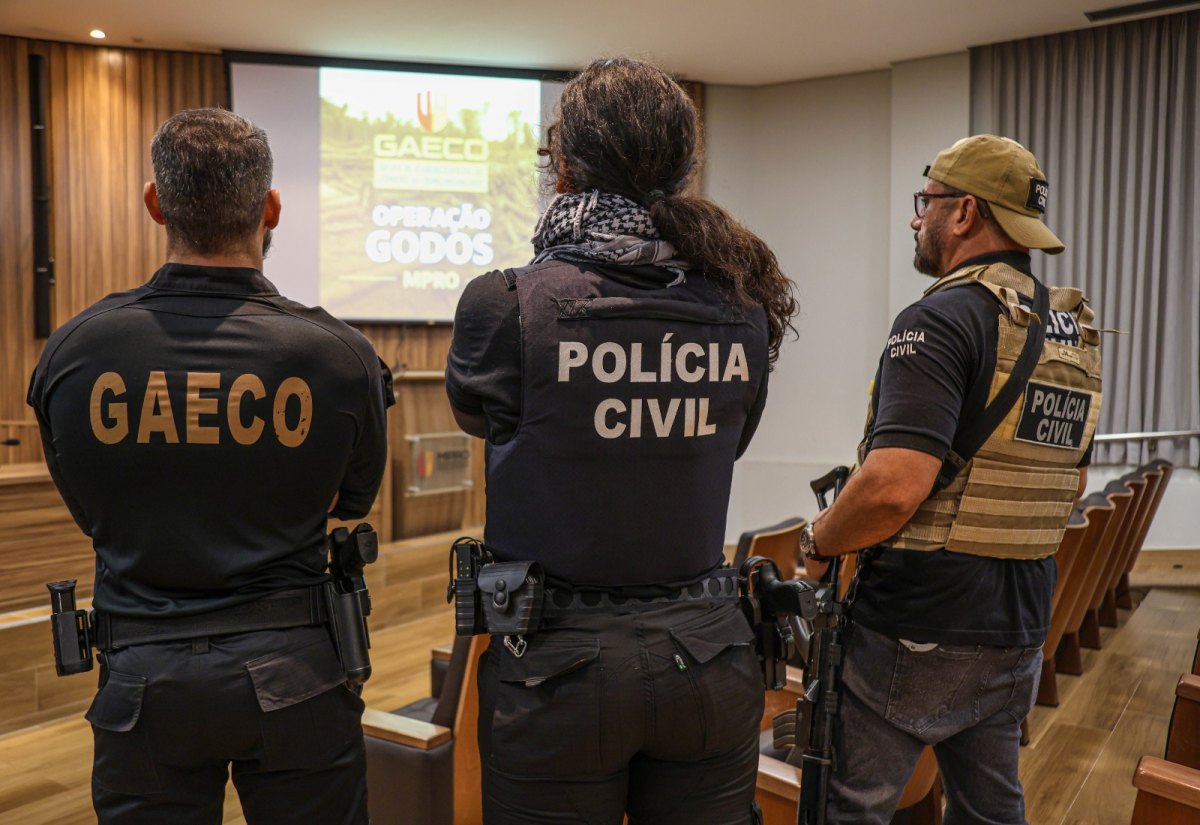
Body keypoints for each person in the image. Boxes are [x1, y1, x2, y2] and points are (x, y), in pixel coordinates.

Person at [446, 57, 797, 825]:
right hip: (710, 654)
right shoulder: (742, 307)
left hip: (556, 672)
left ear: (563, 168)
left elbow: (480, 417)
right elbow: (727, 440)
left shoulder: (504, 305)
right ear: (683, 168)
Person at [27, 108, 393, 825]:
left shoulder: (74, 353)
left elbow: (89, 509)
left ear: (155, 202)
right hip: (298, 677)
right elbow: (352, 500)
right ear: (271, 209)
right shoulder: (340, 356)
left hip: (141, 684)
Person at [799, 135, 1102, 824]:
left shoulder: (937, 320)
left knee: (849, 809)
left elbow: (892, 488)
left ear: (964, 212)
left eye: (926, 201)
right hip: (1019, 621)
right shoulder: (1068, 332)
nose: (917, 217)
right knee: (990, 811)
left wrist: (817, 543)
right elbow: (1072, 481)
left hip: (920, 620)